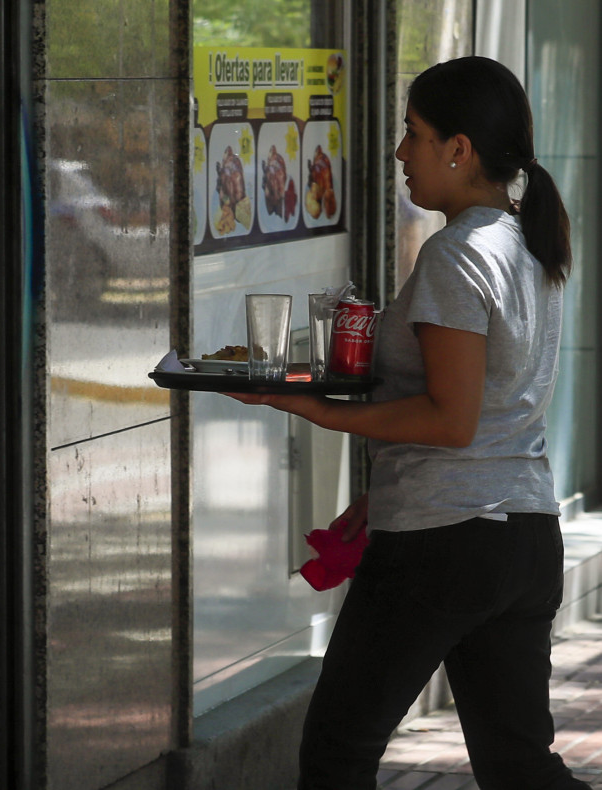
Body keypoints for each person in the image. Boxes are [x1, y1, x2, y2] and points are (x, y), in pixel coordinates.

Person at [226, 56, 588, 789]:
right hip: (519, 534)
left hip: (442, 542)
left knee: (337, 750)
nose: (398, 153)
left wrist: (318, 410)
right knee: (519, 768)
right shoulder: (523, 243)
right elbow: (483, 411)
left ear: (458, 149)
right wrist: (380, 491)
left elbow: (451, 422)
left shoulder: (458, 255)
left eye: (411, 133)